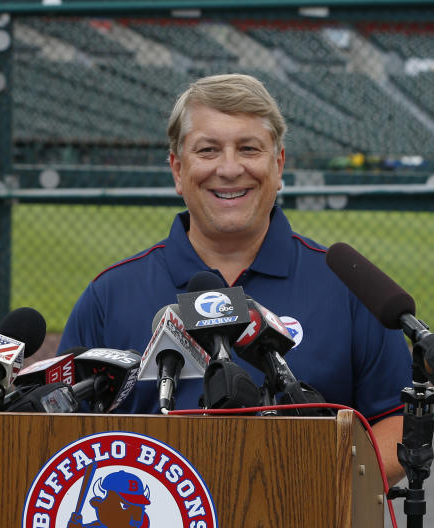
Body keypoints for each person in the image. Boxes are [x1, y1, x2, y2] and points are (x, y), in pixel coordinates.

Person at [60, 73, 412, 480]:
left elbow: (397, 421)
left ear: (278, 166)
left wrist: (312, 491)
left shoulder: (347, 288)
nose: (229, 169)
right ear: (177, 169)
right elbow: (65, 434)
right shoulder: (109, 295)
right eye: (208, 150)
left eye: (248, 149)